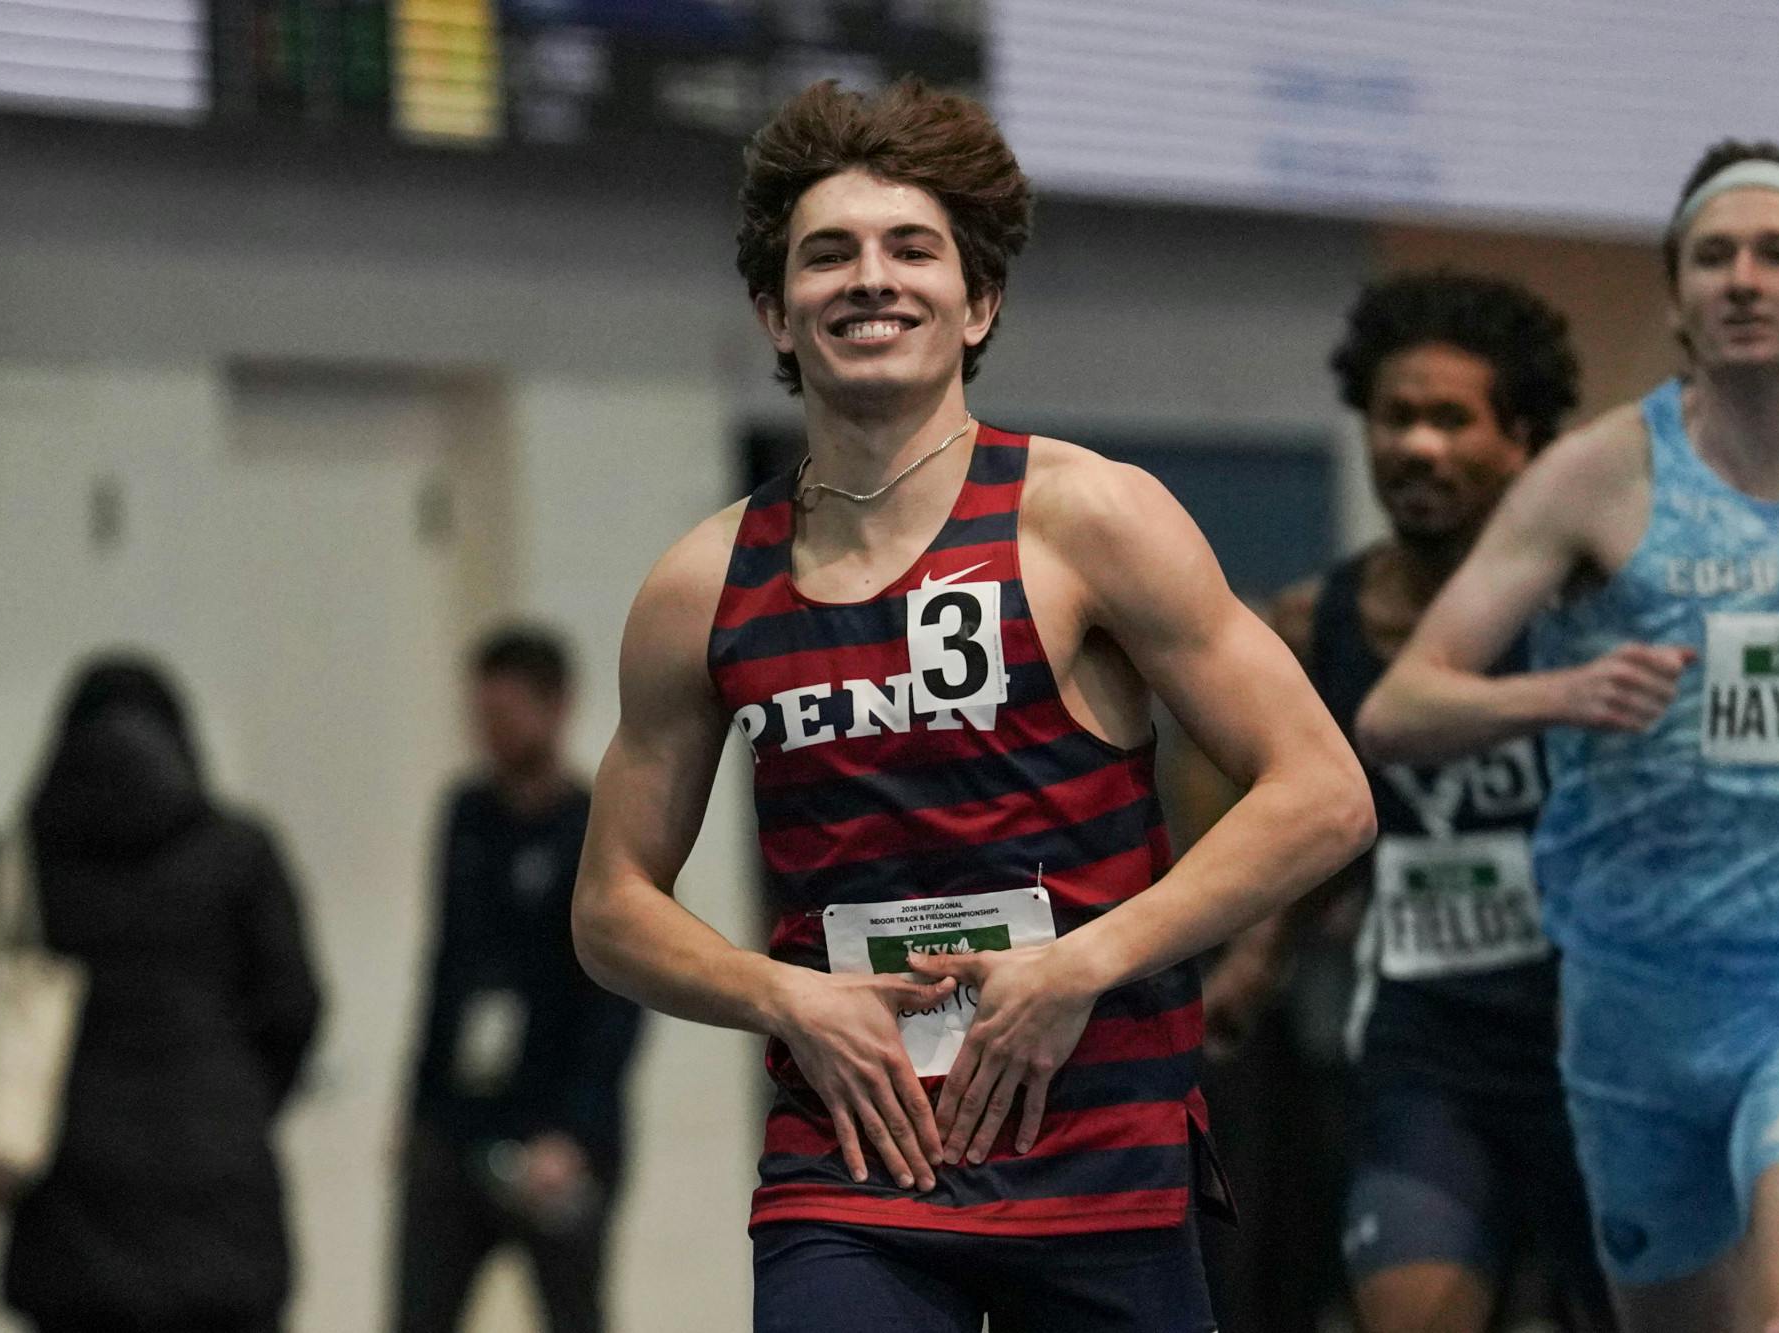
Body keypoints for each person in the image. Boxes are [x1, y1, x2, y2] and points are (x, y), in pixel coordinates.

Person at [571, 76, 1374, 1333]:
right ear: (774, 315)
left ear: (977, 299)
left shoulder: (1088, 516)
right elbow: (611, 906)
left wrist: (1084, 963)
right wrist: (782, 995)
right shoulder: (701, 583)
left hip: (1099, 1155)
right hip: (852, 1169)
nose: (868, 279)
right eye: (826, 255)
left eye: (910, 249)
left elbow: (1323, 795)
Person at [1358, 142, 1779, 1333]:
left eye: (1775, 254)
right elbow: (1397, 710)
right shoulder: (1593, 478)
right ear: (1676, 296)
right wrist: (1553, 695)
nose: (1742, 280)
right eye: (1712, 256)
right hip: (1630, 1002)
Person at [1200, 270, 1610, 1333]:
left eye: (1450, 419)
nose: (1417, 446)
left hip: (1596, 1051)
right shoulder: (1315, 623)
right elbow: (1326, 820)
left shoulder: (1588, 614)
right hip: (1429, 1049)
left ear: (1519, 440)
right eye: (1395, 417)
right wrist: (1258, 953)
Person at [0, 654, 324, 1333]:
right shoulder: (239, 853)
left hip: (70, 1206)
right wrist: (234, 1097)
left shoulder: (19, 864)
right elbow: (294, 1005)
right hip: (219, 1195)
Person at [394, 625, 643, 1333]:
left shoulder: (600, 829)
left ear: (556, 706)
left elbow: (622, 996)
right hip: (458, 1123)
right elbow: (444, 967)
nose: (490, 736)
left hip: (559, 1133)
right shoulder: (466, 816)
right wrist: (417, 1108)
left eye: (505, 717)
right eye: (480, 719)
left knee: (574, 1314)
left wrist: (575, 1131)